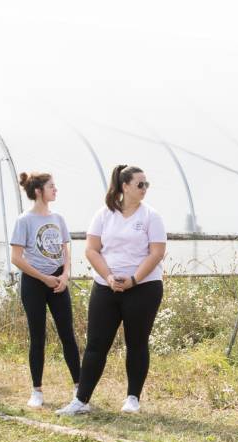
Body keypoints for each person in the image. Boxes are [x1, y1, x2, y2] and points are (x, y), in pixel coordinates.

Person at [62, 165, 166, 417]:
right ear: (125, 187)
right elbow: (92, 249)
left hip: (143, 287)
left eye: (146, 184)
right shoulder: (104, 215)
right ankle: (81, 400)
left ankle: (133, 397)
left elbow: (157, 252)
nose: (144, 189)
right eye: (140, 184)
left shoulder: (151, 216)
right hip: (106, 287)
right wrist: (108, 276)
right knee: (96, 343)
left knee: (137, 342)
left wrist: (133, 279)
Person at [10, 171, 80, 409]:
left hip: (58, 282)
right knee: (37, 336)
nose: (56, 190)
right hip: (34, 283)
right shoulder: (24, 220)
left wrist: (64, 275)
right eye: (52, 186)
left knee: (67, 335)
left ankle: (80, 389)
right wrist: (44, 278)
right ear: (38, 191)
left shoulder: (58, 218)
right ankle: (37, 390)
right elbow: (16, 259)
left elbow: (64, 249)